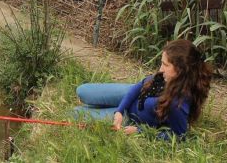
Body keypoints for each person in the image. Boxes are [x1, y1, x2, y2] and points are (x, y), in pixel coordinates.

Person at [73, 39, 212, 140]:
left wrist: (140, 131)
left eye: (165, 65)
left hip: (131, 117)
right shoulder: (166, 77)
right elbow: (140, 86)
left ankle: (104, 108)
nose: (160, 69)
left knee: (74, 113)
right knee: (82, 90)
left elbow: (178, 135)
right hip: (127, 95)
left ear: (181, 70)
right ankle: (111, 107)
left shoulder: (178, 104)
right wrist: (119, 110)